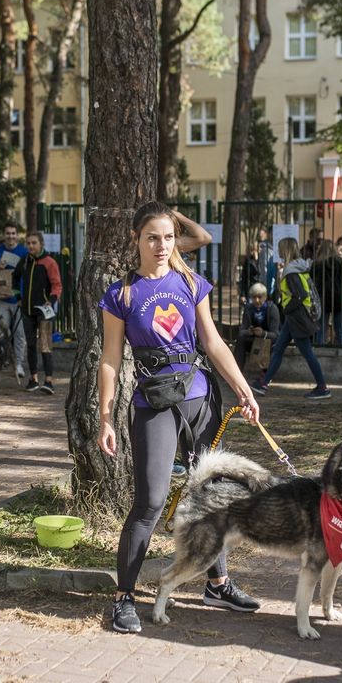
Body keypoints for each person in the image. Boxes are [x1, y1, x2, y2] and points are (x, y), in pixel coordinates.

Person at [98, 201, 257, 634]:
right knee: (150, 501)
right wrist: (106, 416)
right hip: (154, 403)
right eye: (152, 237)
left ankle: (218, 583)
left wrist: (242, 386)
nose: (161, 245)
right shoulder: (122, 294)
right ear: (136, 240)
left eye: (168, 237)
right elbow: (111, 359)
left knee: (211, 491)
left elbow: (214, 342)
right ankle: (124, 598)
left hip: (199, 396)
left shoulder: (190, 281)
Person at [251, 237, 331, 400]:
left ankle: (322, 387)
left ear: (286, 250)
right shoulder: (299, 267)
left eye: (281, 249)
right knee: (279, 348)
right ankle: (264, 383)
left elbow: (300, 295)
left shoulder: (291, 271)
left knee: (307, 353)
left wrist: (287, 308)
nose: (279, 252)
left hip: (297, 318)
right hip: (295, 318)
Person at [19, 231, 62, 394]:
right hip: (27, 310)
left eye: (34, 243)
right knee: (30, 344)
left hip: (44, 311)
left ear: (41, 244)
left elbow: (57, 285)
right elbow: (15, 278)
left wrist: (50, 301)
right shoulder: (24, 262)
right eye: (28, 243)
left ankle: (49, 381)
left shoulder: (49, 262)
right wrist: (17, 296)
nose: (31, 246)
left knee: (45, 345)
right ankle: (33, 379)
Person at [0, 222, 28, 385]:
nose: (10, 236)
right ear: (4, 235)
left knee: (20, 333)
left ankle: (18, 364)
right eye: (8, 233)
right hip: (1, 299)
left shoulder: (24, 252)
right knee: (0, 333)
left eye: (13, 233)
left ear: (17, 235)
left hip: (19, 299)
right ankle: (1, 360)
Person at [233, 282, 280, 370]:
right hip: (253, 339)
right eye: (254, 297)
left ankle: (266, 376)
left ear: (265, 297)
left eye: (259, 297)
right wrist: (250, 332)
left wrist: (263, 333)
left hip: (268, 341)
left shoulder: (272, 309)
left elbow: (276, 335)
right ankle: (237, 371)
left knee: (275, 346)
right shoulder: (249, 308)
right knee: (241, 339)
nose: (257, 300)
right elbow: (242, 330)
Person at [312, 239, 342, 346]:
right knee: (340, 330)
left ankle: (320, 355)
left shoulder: (317, 264)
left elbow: (310, 280)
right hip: (339, 298)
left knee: (321, 331)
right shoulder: (340, 262)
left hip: (322, 299)